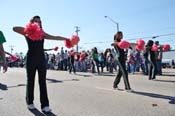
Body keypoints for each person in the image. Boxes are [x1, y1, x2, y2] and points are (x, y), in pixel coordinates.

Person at [13, 16, 69, 112]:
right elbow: (14, 28)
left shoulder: (42, 33)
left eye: (39, 22)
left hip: (41, 59)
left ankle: (45, 105)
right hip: (31, 58)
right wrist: (29, 29)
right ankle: (30, 102)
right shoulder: (27, 31)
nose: (38, 23)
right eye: (35, 21)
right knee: (30, 81)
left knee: (42, 81)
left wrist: (67, 39)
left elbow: (54, 37)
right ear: (32, 22)